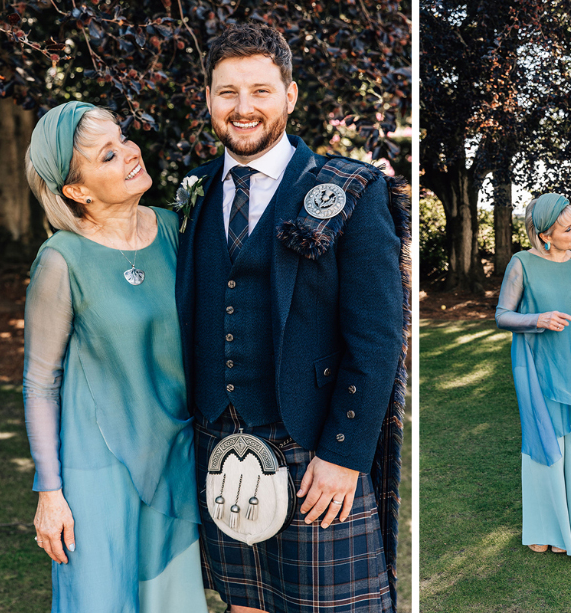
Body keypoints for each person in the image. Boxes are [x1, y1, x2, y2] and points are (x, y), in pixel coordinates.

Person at [175, 24, 409, 613]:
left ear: (291, 95)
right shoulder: (195, 191)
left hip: (314, 449)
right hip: (216, 443)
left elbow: (379, 337)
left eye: (260, 90)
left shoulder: (349, 188)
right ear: (207, 98)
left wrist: (345, 454)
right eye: (227, 92)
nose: (243, 107)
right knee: (244, 605)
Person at [22, 102, 205, 612]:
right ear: (76, 191)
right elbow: (40, 382)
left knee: (172, 601)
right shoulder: (62, 259)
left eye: (123, 139)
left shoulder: (175, 230)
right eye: (107, 155)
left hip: (174, 453)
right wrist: (50, 492)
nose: (129, 154)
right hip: (94, 470)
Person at [495, 193, 571, 555]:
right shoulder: (522, 263)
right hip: (536, 365)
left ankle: (567, 528)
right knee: (543, 442)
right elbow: (502, 315)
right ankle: (543, 528)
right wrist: (538, 320)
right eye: (567, 228)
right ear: (545, 234)